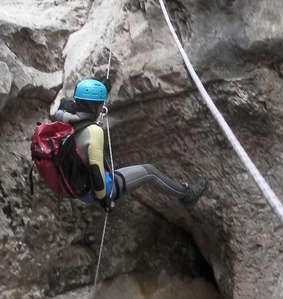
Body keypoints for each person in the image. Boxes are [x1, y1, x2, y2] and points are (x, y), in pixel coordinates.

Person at [53, 78, 208, 212]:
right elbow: (95, 171)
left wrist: (101, 88)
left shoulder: (62, 116)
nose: (102, 107)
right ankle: (187, 195)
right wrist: (104, 199)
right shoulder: (93, 132)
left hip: (77, 185)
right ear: (95, 107)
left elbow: (81, 102)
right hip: (96, 189)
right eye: (100, 104)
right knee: (149, 171)